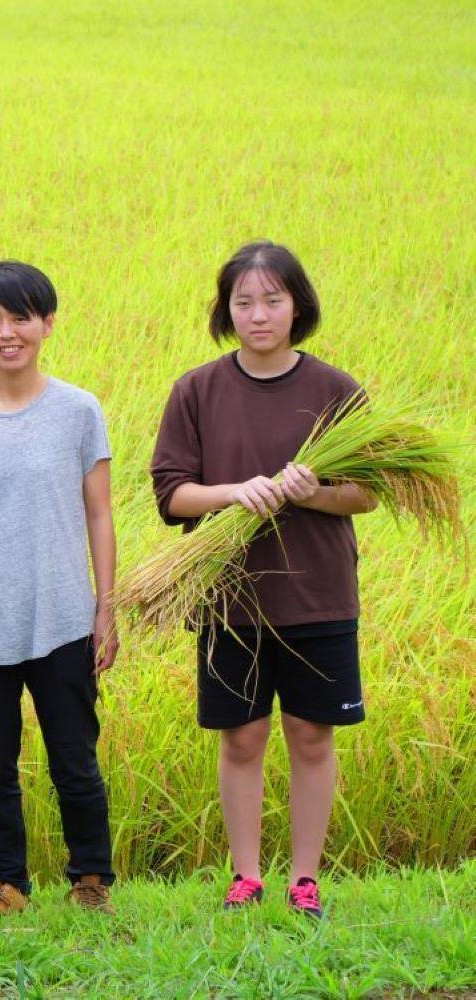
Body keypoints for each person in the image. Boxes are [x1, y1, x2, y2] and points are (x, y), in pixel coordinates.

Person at [150, 241, 377, 918]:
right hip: (229, 598)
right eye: (242, 301)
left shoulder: (335, 389)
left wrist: (304, 493)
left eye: (271, 300)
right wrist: (232, 492)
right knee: (241, 737)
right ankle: (244, 875)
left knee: (311, 734)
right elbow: (170, 494)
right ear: (225, 309)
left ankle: (303, 879)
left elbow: (364, 493)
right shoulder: (198, 388)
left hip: (316, 592)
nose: (257, 314)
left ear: (296, 306)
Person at [0, 261, 119, 914]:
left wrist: (104, 610)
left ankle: (90, 880)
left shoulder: (77, 409)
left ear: (47, 323)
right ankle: (5, 884)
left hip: (61, 614)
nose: (5, 332)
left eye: (19, 317)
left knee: (74, 760)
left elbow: (98, 513)